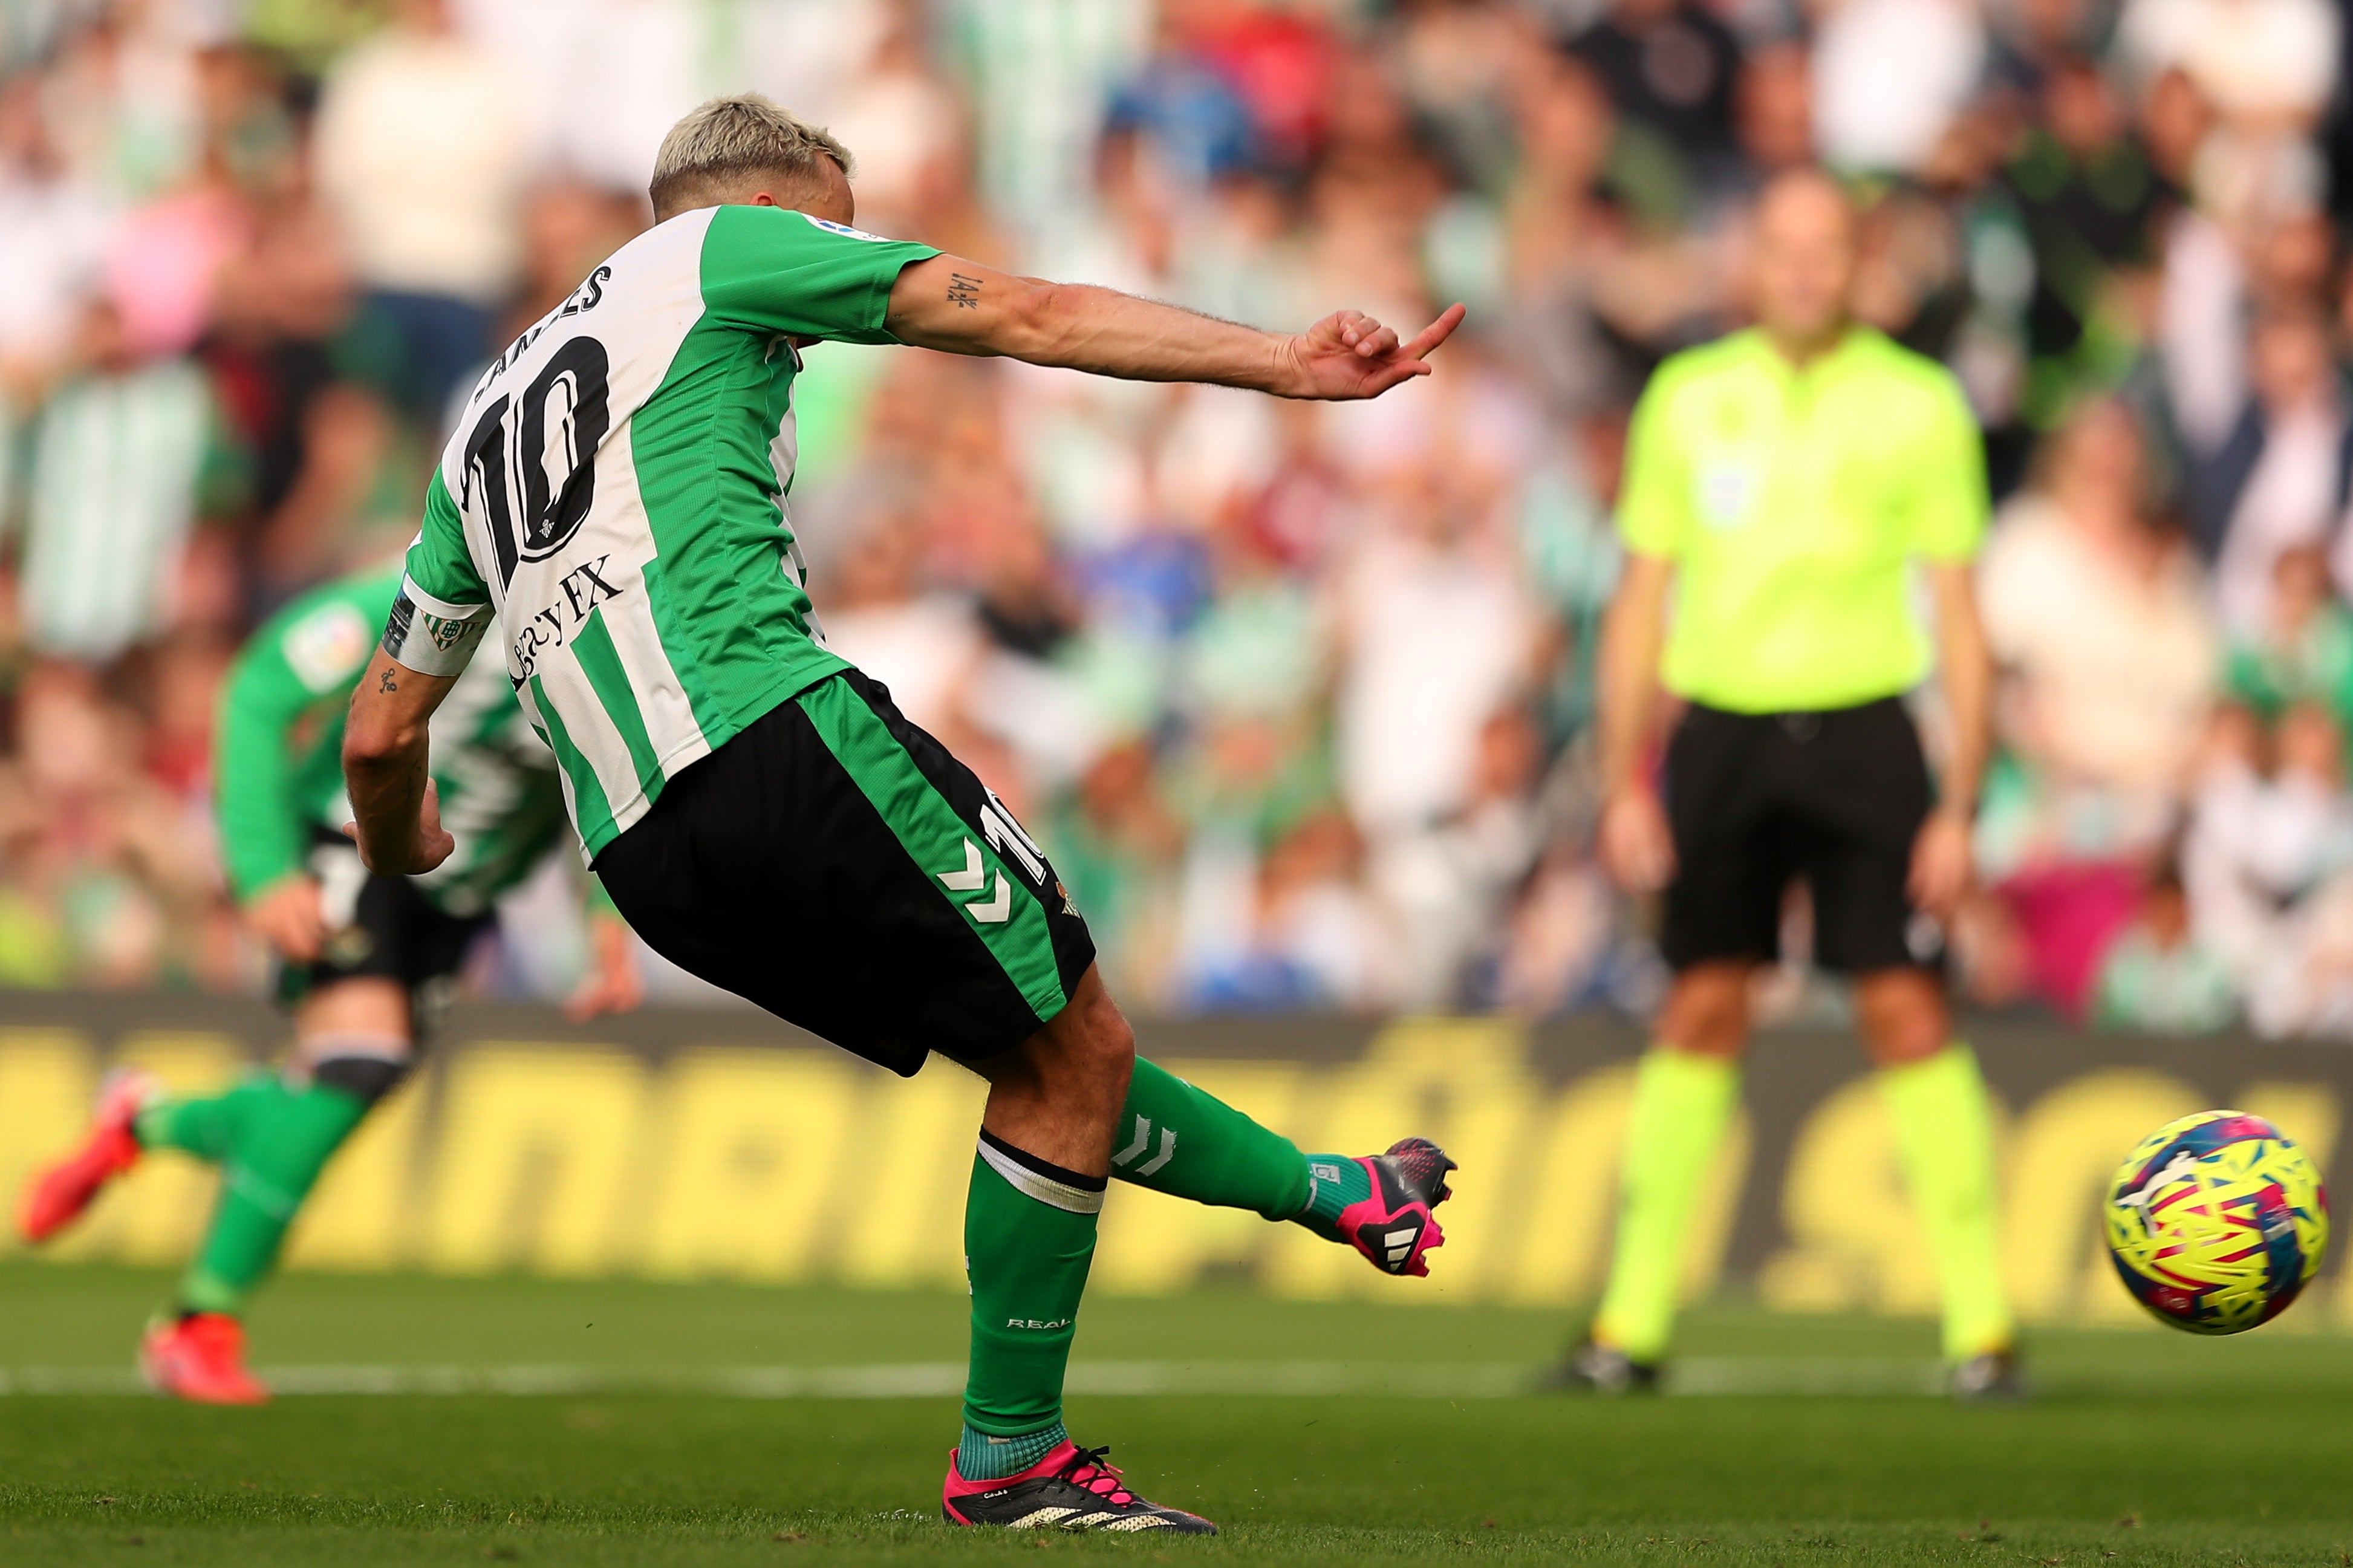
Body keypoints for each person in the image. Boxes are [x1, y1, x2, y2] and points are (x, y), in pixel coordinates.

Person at [337, 94, 1466, 1535]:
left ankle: (1336, 1192)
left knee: (1049, 1056)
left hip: (642, 852)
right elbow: (1030, 315)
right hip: (768, 730)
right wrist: (1282, 365)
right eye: (833, 222)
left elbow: (381, 731)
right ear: (768, 195)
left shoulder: (478, 424)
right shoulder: (722, 250)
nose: (834, 264)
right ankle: (1013, 1457)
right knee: (1071, 1049)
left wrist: (402, 854)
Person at [1554, 169, 2016, 1398]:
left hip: (1869, 732)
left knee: (1905, 1007)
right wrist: (1621, 781)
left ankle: (1981, 1330)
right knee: (1699, 1005)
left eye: (1827, 249)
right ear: (1749, 261)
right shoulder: (1687, 396)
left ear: (1861, 263)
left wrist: (1962, 801)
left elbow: (1961, 615)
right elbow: (1638, 600)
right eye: (1783, 247)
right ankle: (1627, 1326)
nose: (1805, 270)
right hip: (1720, 736)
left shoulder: (1919, 405)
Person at [18, 562, 643, 1402]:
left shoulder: (606, 635)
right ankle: (197, 1320)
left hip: (462, 894)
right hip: (355, 844)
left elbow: (606, 777)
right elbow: (261, 689)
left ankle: (145, 1121)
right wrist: (266, 867)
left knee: (326, 1093)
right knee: (360, 1065)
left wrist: (607, 916)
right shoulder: (424, 605)